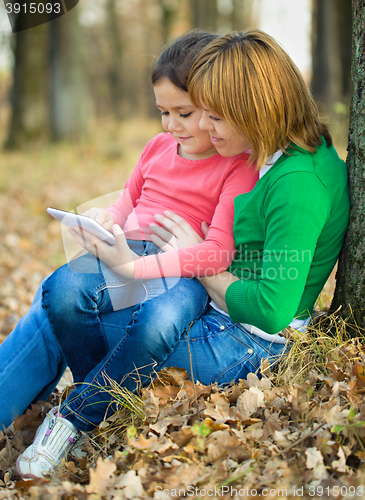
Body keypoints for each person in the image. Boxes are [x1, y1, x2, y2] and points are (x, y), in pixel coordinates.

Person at [1, 31, 258, 478]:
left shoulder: (234, 163)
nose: (171, 125)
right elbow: (128, 201)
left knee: (157, 324)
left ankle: (75, 419)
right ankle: (95, 404)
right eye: (163, 112)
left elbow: (216, 250)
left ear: (218, 108)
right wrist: (105, 218)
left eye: (185, 113)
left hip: (182, 270)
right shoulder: (157, 148)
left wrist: (143, 261)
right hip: (126, 252)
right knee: (60, 291)